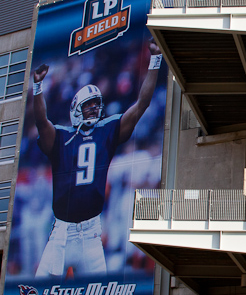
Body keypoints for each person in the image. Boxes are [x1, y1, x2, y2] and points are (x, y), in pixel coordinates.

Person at [30, 46, 163, 277]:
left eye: (96, 105)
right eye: (88, 105)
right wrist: (38, 87)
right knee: (37, 294)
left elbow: (142, 104)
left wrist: (155, 60)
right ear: (75, 109)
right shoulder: (61, 135)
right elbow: (41, 120)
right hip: (61, 232)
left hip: (91, 232)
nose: (94, 109)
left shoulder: (107, 130)